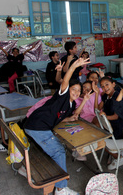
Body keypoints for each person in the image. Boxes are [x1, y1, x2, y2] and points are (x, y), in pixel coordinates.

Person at [24, 58, 91, 195]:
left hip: (36, 125)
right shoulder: (63, 96)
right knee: (59, 151)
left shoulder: (72, 104)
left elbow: (74, 115)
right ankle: (61, 189)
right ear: (67, 90)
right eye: (74, 89)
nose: (76, 93)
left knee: (56, 147)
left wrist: (84, 101)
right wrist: (74, 66)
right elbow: (65, 81)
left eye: (79, 91)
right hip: (37, 126)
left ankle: (24, 168)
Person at [93, 77, 123, 170]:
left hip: (118, 127)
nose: (105, 88)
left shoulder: (117, 96)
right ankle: (116, 153)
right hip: (110, 126)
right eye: (102, 86)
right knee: (95, 121)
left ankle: (118, 156)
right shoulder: (105, 96)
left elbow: (116, 116)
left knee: (97, 138)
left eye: (107, 84)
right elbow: (96, 110)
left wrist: (104, 117)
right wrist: (96, 94)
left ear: (113, 84)